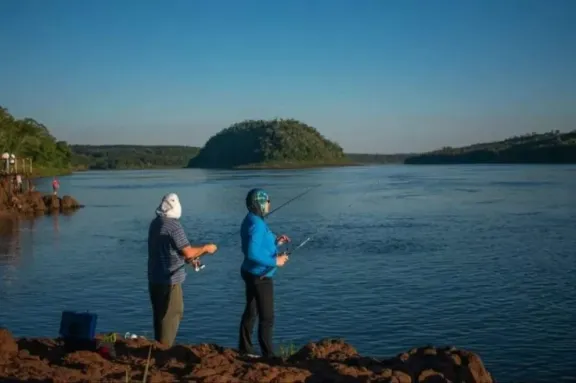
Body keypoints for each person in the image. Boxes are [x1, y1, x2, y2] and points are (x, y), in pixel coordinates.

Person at [147, 192, 218, 347]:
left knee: (160, 316)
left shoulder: (156, 223)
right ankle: (163, 351)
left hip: (154, 278)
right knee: (172, 315)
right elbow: (187, 251)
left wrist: (191, 259)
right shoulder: (173, 225)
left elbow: (171, 251)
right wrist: (207, 248)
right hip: (170, 280)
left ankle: (158, 346)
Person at [238, 188, 290, 358]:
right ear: (259, 203)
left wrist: (276, 243)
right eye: (267, 201)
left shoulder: (251, 219)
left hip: (251, 272)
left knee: (251, 312)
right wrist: (276, 261)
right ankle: (268, 355)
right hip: (261, 276)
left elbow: (259, 246)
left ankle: (245, 349)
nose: (269, 204)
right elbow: (252, 253)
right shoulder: (257, 224)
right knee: (267, 317)